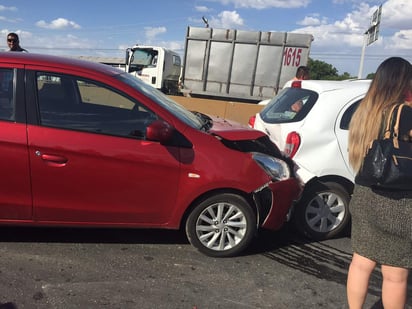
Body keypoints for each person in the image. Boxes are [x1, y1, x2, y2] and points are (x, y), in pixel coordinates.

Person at [346, 57, 412, 309]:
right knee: (395, 275)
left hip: (364, 195)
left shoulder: (363, 112)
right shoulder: (405, 113)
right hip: (397, 203)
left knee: (360, 263)